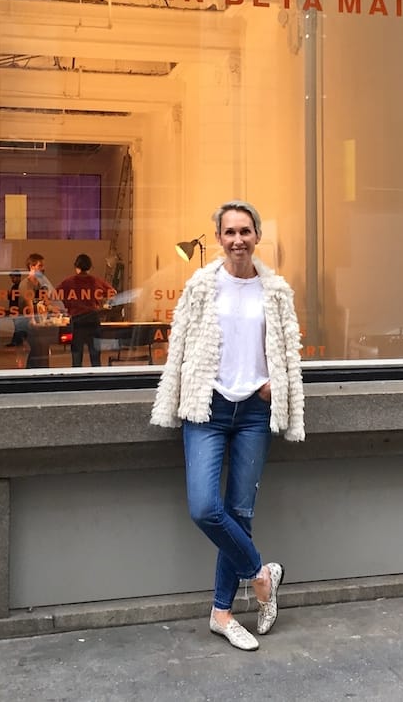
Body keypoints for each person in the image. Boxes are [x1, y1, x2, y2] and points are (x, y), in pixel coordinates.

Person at [150, 200, 306, 652]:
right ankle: (262, 573)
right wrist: (177, 394)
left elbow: (287, 346)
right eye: (229, 232)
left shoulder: (275, 290)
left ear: (257, 236)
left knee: (239, 514)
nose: (238, 239)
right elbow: (179, 345)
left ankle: (222, 613)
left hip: (254, 412)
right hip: (208, 409)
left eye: (245, 231)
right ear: (218, 238)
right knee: (204, 507)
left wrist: (278, 382)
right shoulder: (202, 285)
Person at [59, 253, 116, 367]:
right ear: (90, 267)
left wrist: (66, 305)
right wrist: (103, 303)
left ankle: (77, 380)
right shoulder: (96, 281)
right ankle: (95, 380)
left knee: (76, 355)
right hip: (93, 318)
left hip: (77, 320)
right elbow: (113, 292)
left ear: (76, 267)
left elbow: (54, 295)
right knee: (95, 355)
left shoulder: (68, 282)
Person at [19, 253, 60, 369]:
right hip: (29, 323)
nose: (43, 268)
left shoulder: (41, 284)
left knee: (41, 351)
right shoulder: (25, 284)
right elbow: (29, 303)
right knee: (38, 350)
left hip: (41, 323)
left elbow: (46, 301)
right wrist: (32, 320)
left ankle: (38, 372)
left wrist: (53, 309)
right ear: (32, 266)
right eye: (40, 265)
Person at [6, 271, 28, 348]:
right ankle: (18, 341)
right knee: (18, 326)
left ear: (18, 277)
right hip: (15, 309)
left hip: (18, 309)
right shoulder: (15, 286)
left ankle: (18, 341)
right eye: (11, 278)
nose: (12, 279)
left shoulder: (20, 287)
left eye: (13, 277)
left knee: (19, 326)